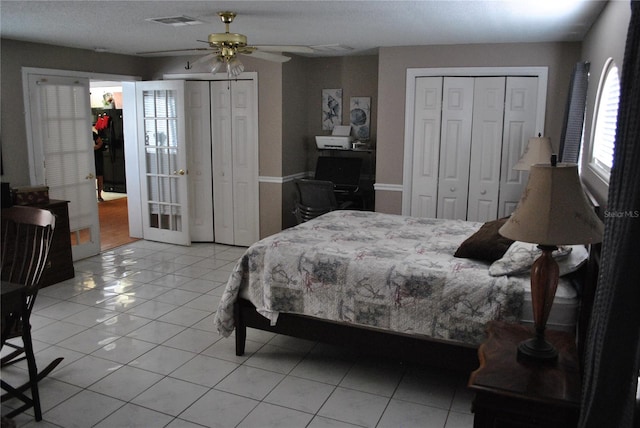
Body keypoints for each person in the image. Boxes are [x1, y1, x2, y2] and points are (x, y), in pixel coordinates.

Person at [92, 131, 105, 202]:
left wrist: (94, 148)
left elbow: (100, 143)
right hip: (88, 157)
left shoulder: (92, 134)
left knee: (99, 176)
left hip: (97, 157)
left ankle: (99, 195)